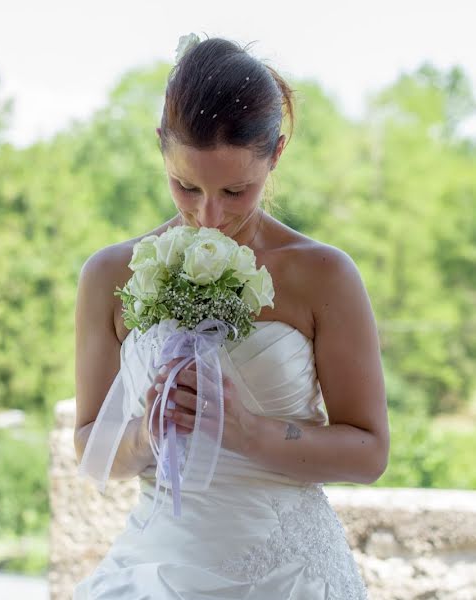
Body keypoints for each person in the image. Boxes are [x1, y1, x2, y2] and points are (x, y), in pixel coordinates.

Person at [72, 35, 388, 599]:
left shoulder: (325, 276)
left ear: (277, 155)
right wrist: (148, 436)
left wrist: (248, 432)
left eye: (236, 190)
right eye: (185, 185)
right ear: (161, 148)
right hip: (152, 571)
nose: (208, 214)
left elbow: (369, 452)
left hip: (287, 580)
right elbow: (89, 444)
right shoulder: (108, 276)